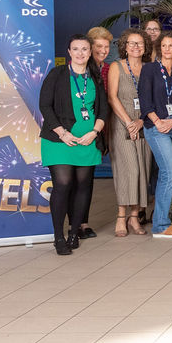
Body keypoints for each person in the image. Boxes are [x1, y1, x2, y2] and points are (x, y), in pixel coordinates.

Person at [40, 34, 108, 255]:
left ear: (90, 52)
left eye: (85, 49)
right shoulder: (57, 74)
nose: (80, 53)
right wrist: (61, 132)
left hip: (87, 140)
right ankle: (58, 237)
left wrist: (95, 132)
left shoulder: (95, 76)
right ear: (69, 52)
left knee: (82, 186)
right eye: (76, 49)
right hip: (59, 140)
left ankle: (73, 233)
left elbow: (103, 109)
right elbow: (45, 106)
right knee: (62, 184)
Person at [138, 30, 172, 238]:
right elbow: (144, 100)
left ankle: (162, 219)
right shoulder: (149, 69)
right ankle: (160, 225)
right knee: (170, 174)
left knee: (166, 174)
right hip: (156, 127)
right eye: (164, 46)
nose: (168, 49)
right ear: (159, 48)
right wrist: (159, 122)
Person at [106, 28, 152, 237]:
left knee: (142, 169)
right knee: (128, 170)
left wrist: (141, 121)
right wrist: (129, 123)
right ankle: (120, 216)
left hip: (144, 124)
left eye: (140, 43)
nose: (136, 47)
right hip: (121, 124)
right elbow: (112, 97)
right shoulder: (117, 67)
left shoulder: (149, 69)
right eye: (132, 43)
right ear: (124, 46)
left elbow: (153, 100)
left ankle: (135, 217)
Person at [76, 25, 114, 239]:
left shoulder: (108, 69)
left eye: (106, 46)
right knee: (75, 180)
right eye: (98, 46)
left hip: (99, 129)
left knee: (86, 180)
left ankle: (83, 223)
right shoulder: (81, 69)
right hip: (79, 130)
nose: (102, 50)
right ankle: (76, 222)